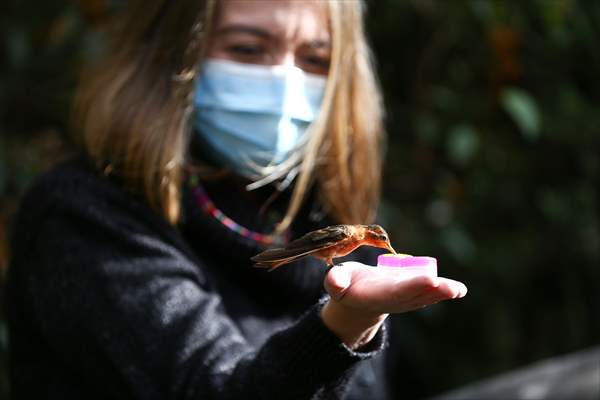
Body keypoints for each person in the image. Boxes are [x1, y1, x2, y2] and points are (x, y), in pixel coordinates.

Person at [6, 0, 467, 399]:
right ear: (168, 53)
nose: (284, 83)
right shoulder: (82, 215)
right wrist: (343, 327)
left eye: (316, 58)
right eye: (247, 49)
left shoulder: (322, 205)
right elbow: (214, 388)